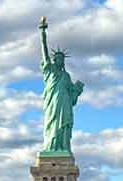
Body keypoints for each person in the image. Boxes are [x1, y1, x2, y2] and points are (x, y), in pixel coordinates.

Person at [38, 17, 84, 153]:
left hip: (64, 104)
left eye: (62, 59)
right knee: (52, 124)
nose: (60, 60)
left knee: (64, 125)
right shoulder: (49, 71)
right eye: (57, 58)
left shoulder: (66, 76)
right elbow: (44, 52)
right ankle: (51, 148)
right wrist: (42, 33)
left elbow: (72, 96)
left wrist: (77, 89)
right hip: (52, 104)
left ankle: (63, 148)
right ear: (54, 60)